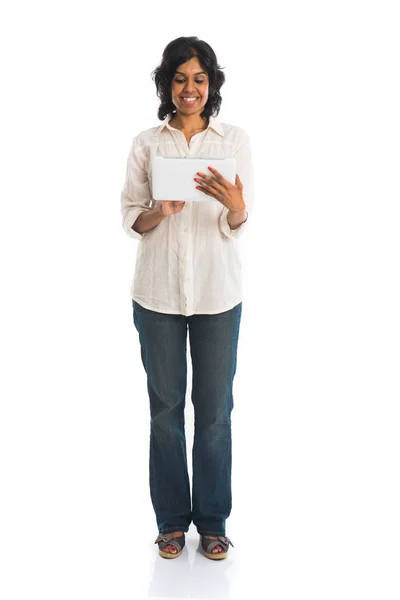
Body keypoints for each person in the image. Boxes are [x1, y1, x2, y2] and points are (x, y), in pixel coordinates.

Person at [120, 36, 254, 560]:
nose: (190, 88)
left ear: (211, 84)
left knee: (216, 409)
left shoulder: (234, 140)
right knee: (165, 410)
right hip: (157, 295)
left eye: (199, 78)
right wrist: (162, 208)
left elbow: (235, 223)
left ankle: (214, 522)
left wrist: (237, 205)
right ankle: (172, 523)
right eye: (180, 78)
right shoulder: (147, 143)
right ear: (166, 84)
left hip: (218, 293)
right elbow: (133, 217)